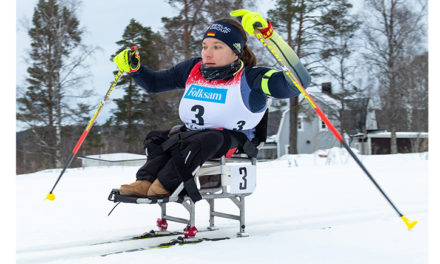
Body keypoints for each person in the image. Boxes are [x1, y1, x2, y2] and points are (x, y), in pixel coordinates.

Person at [112, 10, 311, 202]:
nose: (208, 54)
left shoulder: (251, 78)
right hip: (193, 135)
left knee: (207, 138)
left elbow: (297, 83)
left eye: (217, 47)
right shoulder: (194, 69)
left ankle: (166, 184)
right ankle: (145, 181)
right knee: (155, 137)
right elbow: (153, 84)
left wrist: (270, 37)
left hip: (230, 141)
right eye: (205, 46)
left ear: (235, 53)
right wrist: (135, 69)